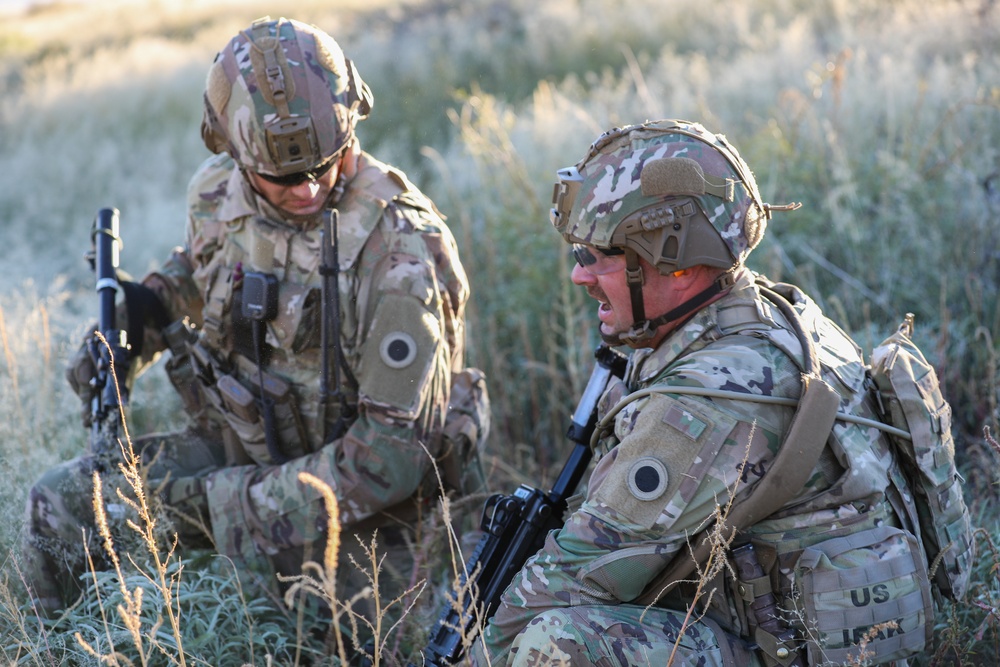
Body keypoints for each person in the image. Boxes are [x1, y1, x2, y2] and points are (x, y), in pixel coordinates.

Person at [23, 16, 488, 633]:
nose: (308, 187)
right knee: (60, 503)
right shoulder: (217, 193)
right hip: (243, 450)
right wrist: (145, 312)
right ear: (231, 150)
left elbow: (389, 460)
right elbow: (196, 271)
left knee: (335, 638)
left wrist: (228, 504)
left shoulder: (401, 252)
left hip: (372, 520)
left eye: (326, 162)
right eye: (282, 176)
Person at [472, 119, 950, 666]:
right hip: (795, 626)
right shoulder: (776, 314)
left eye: (597, 256)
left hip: (790, 650)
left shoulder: (710, 395)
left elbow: (578, 574)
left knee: (553, 642)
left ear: (676, 261)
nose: (581, 276)